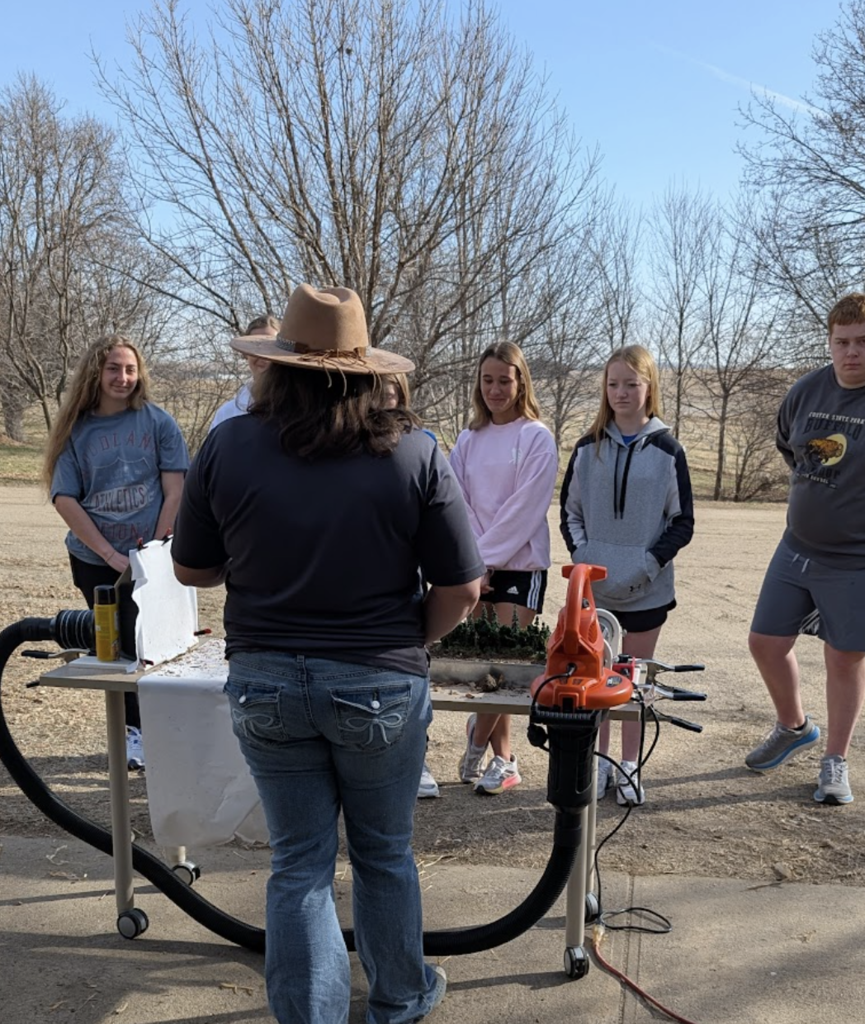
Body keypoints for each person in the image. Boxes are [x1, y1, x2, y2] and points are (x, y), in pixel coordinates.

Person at [171, 284, 484, 1024]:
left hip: (266, 679)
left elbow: (191, 568)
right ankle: (400, 997)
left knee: (300, 864)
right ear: (367, 370)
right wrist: (410, 639)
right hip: (378, 677)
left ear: (276, 366)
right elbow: (463, 588)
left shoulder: (230, 443)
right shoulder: (413, 451)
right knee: (382, 853)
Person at [44, 335, 189, 769]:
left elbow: (175, 489)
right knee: (120, 650)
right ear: (96, 373)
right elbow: (65, 499)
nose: (123, 377)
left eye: (130, 369)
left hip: (150, 559)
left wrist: (156, 550)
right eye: (113, 369)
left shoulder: (158, 422)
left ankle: (159, 730)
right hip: (96, 561)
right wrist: (110, 556)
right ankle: (133, 735)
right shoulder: (76, 430)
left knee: (157, 646)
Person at [560, 345, 694, 806]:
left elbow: (682, 521)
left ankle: (629, 767)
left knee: (633, 684)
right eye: (613, 384)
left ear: (649, 387)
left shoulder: (667, 450)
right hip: (594, 592)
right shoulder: (585, 447)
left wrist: (646, 566)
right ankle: (599, 765)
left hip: (647, 591)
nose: (621, 392)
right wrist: (584, 558)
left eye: (631, 384)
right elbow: (570, 513)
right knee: (595, 684)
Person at [745, 293, 865, 805]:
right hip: (796, 547)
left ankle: (835, 761)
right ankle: (794, 727)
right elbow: (789, 447)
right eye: (842, 342)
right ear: (829, 342)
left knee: (845, 658)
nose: (852, 353)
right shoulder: (806, 391)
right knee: (766, 643)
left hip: (855, 560)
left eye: (863, 342)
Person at [449, 341, 558, 795]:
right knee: (480, 670)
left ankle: (477, 743)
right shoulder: (468, 439)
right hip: (475, 563)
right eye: (487, 380)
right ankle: (506, 762)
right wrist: (475, 560)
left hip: (519, 566)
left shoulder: (536, 437)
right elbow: (458, 502)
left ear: (520, 382)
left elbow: (525, 508)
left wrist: (488, 559)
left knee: (505, 666)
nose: (495, 389)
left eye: (504, 380)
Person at [379, 373, 441, 800]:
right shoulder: (338, 443)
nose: (385, 398)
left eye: (392, 390)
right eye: (376, 390)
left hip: (407, 578)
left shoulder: (422, 444)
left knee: (415, 678)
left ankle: (417, 756)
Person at [208, 314, 281, 431]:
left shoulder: (298, 409)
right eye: (256, 347)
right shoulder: (227, 413)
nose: (262, 356)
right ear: (245, 353)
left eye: (270, 347)